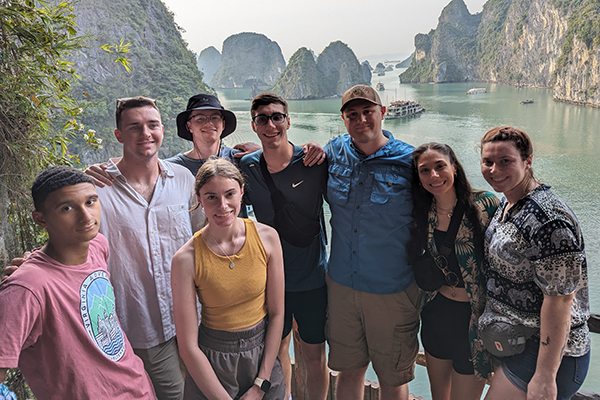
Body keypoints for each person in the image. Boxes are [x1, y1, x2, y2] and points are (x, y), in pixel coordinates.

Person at [0, 166, 156, 399]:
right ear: (40, 219)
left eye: (91, 202)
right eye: (67, 208)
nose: (86, 216)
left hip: (138, 387)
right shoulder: (26, 289)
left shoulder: (98, 246)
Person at [93, 97, 202, 399]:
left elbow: (204, 238)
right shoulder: (97, 189)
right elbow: (73, 246)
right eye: (134, 127)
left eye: (152, 125)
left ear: (162, 129)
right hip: (142, 322)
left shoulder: (182, 179)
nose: (145, 134)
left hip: (192, 318)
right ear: (119, 135)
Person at [324, 84, 422, 400]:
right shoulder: (333, 152)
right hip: (342, 286)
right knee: (349, 370)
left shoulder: (411, 162)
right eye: (353, 114)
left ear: (382, 113)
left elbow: (449, 197)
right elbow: (287, 159)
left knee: (392, 377)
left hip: (391, 290)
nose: (361, 119)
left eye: (368, 112)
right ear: (343, 119)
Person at [478, 126, 590, 400]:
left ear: (527, 162)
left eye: (506, 161)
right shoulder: (509, 204)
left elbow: (561, 300)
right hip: (519, 343)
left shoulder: (549, 220)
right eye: (488, 162)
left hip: (549, 355)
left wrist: (545, 376)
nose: (494, 170)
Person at [171, 158, 286, 400]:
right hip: (212, 362)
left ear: (242, 193)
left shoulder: (267, 238)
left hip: (262, 357)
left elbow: (277, 313)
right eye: (211, 197)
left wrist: (260, 384)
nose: (222, 205)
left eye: (229, 194)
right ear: (199, 199)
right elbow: (188, 347)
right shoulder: (186, 259)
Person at [240, 93, 329, 400]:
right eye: (262, 118)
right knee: (277, 351)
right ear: (253, 126)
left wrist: (321, 146)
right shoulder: (248, 168)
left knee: (314, 355)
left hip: (313, 277)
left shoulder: (313, 161)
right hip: (271, 280)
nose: (271, 124)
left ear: (288, 121)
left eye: (277, 117)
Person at [409, 143, 499, 400]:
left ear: (455, 168)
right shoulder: (423, 214)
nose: (433, 176)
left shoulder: (486, 205)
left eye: (440, 166)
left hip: (474, 322)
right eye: (424, 171)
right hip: (437, 315)